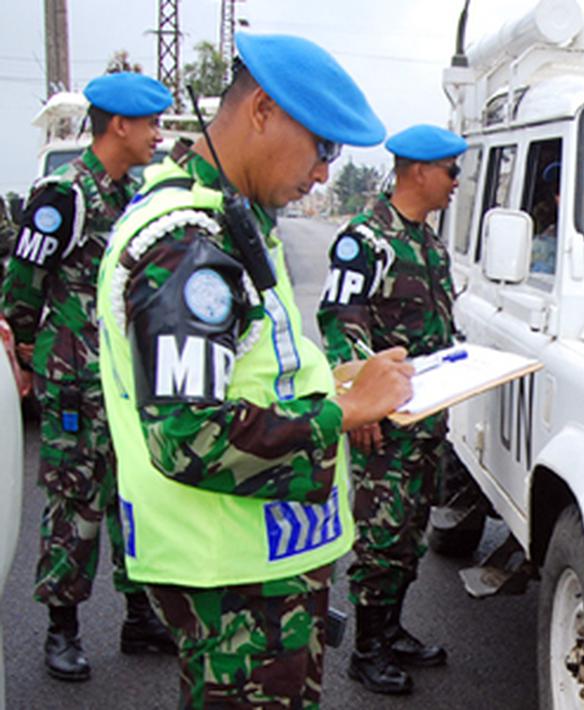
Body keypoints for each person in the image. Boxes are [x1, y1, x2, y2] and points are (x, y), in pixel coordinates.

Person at [96, 34, 413, 708]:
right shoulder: (189, 245)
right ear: (262, 110)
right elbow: (189, 436)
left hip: (255, 566)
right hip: (235, 579)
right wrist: (344, 415)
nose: (325, 173)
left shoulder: (228, 216)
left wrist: (342, 378)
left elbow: (243, 367)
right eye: (322, 147)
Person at [1, 71, 177, 681]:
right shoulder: (64, 197)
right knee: (75, 501)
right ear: (119, 125)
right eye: (151, 123)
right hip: (74, 376)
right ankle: (62, 628)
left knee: (133, 497)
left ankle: (138, 615)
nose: (158, 134)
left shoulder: (132, 195)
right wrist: (26, 356)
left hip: (125, 380)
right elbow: (20, 289)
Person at [316, 123, 463, 694]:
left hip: (424, 417)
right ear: (419, 171)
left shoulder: (426, 243)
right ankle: (367, 650)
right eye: (451, 171)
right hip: (385, 421)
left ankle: (393, 628)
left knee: (409, 533)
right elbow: (341, 324)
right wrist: (360, 405)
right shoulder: (366, 241)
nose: (456, 183)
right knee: (381, 537)